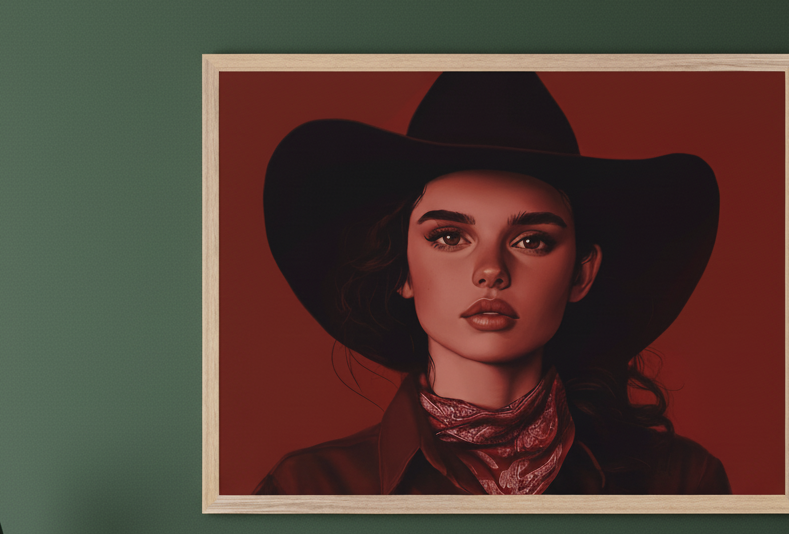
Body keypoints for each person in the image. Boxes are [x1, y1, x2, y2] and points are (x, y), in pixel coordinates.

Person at [255, 72, 729, 495]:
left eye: (532, 241)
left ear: (582, 273)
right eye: (448, 237)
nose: (491, 270)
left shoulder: (680, 481)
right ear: (402, 270)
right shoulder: (310, 489)